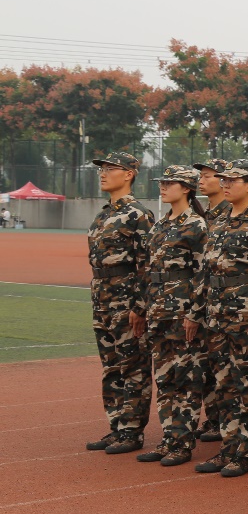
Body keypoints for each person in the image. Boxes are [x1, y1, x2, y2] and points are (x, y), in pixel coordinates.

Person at [193, 159, 248, 477]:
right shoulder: (218, 222)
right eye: (224, 180)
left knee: (247, 384)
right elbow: (206, 271)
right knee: (223, 384)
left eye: (233, 180)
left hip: (245, 316)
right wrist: (198, 311)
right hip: (217, 316)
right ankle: (228, 448)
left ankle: (244, 453)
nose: (225, 184)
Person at [136, 165, 208, 467]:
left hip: (182, 313)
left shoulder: (197, 225)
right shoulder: (161, 224)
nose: (163, 187)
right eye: (162, 182)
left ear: (187, 189)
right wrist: (142, 307)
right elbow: (148, 270)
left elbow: (203, 273)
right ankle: (169, 438)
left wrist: (194, 313)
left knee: (186, 378)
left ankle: (183, 442)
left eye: (170, 183)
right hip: (159, 312)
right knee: (165, 378)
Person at [85, 151, 155, 455]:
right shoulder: (103, 215)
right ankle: (116, 426)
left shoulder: (138, 215)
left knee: (133, 366)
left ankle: (132, 431)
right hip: (102, 299)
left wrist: (139, 307)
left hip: (126, 302)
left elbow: (147, 265)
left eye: (110, 168)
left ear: (128, 174)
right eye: (101, 169)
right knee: (111, 367)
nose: (103, 173)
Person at [192, 157, 232, 443]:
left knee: (223, 366)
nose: (202, 180)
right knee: (206, 363)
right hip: (203, 299)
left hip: (225, 302)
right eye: (201, 176)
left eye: (209, 176)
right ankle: (214, 417)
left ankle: (224, 421)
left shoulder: (230, 214)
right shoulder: (202, 214)